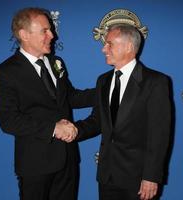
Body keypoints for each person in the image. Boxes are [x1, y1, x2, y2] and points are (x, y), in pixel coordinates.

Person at [0, 7, 94, 200]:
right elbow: (8, 120)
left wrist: (108, 89)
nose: (52, 35)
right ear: (24, 35)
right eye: (45, 31)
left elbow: (70, 98)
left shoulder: (57, 62)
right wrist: (54, 129)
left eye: (51, 29)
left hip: (67, 158)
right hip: (35, 164)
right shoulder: (5, 72)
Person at [72, 24, 171, 200]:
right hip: (107, 176)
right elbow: (98, 121)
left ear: (128, 47)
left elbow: (159, 134)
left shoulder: (155, 82)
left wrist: (151, 176)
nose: (103, 49)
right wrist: (74, 130)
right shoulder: (103, 80)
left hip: (139, 178)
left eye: (109, 44)